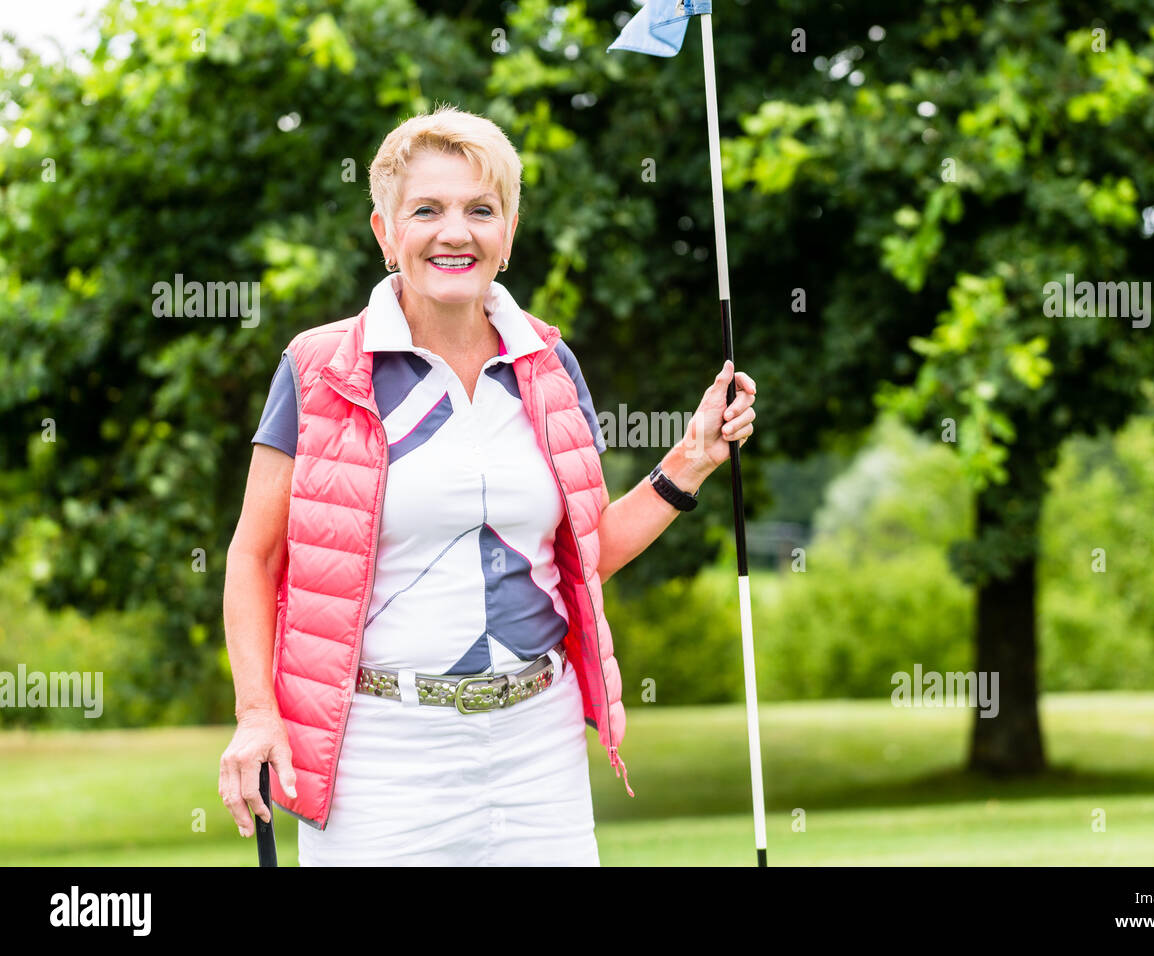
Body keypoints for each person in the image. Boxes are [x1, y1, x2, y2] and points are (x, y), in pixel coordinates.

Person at [217, 105, 756, 865]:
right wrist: (254, 713)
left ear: (507, 233)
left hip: (539, 743)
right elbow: (253, 558)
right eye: (427, 210)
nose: (455, 232)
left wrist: (692, 460)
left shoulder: (547, 364)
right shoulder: (321, 367)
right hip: (381, 753)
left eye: (481, 209)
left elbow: (584, 552)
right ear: (384, 232)